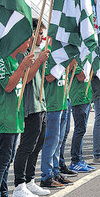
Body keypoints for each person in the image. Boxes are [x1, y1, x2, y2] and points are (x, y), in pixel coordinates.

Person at [0, 38, 34, 197]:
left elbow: (24, 81)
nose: (29, 44)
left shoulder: (15, 60)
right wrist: (22, 66)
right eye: (27, 40)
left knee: (8, 158)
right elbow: (8, 86)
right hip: (5, 116)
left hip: (14, 116)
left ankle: (3, 196)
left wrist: (29, 65)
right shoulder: (2, 59)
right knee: (3, 157)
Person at [13, 20, 51, 197]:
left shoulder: (33, 53)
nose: (42, 36)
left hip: (40, 104)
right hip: (30, 106)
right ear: (32, 33)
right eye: (40, 33)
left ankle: (30, 181)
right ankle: (19, 185)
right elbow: (26, 78)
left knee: (38, 144)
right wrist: (39, 60)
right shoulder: (23, 55)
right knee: (27, 146)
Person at [40, 38, 73, 189]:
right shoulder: (48, 54)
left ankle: (55, 171)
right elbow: (49, 77)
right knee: (51, 141)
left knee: (58, 141)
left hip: (62, 102)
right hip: (52, 104)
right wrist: (64, 63)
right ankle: (46, 176)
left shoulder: (62, 55)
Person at [68, 60, 95, 172]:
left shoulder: (83, 59)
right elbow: (81, 77)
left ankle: (80, 159)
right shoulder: (75, 61)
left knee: (82, 130)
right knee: (79, 130)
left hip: (86, 98)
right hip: (78, 99)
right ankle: (75, 160)